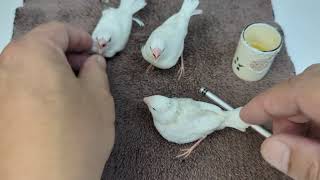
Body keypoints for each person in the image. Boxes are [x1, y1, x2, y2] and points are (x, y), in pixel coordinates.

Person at [0, 22, 318, 180]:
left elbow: (200, 118)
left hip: (213, 117)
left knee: (220, 118)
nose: (149, 103)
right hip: (209, 112)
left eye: (153, 105)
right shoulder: (169, 110)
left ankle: (230, 117)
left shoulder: (174, 127)